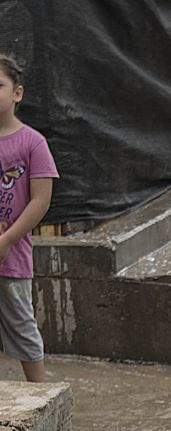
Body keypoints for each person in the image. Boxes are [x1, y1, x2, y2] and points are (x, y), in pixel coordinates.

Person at [0, 55, 55, 383]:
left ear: (17, 93)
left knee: (22, 326)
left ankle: (41, 397)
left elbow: (41, 201)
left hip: (13, 258)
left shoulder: (33, 143)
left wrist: (7, 239)